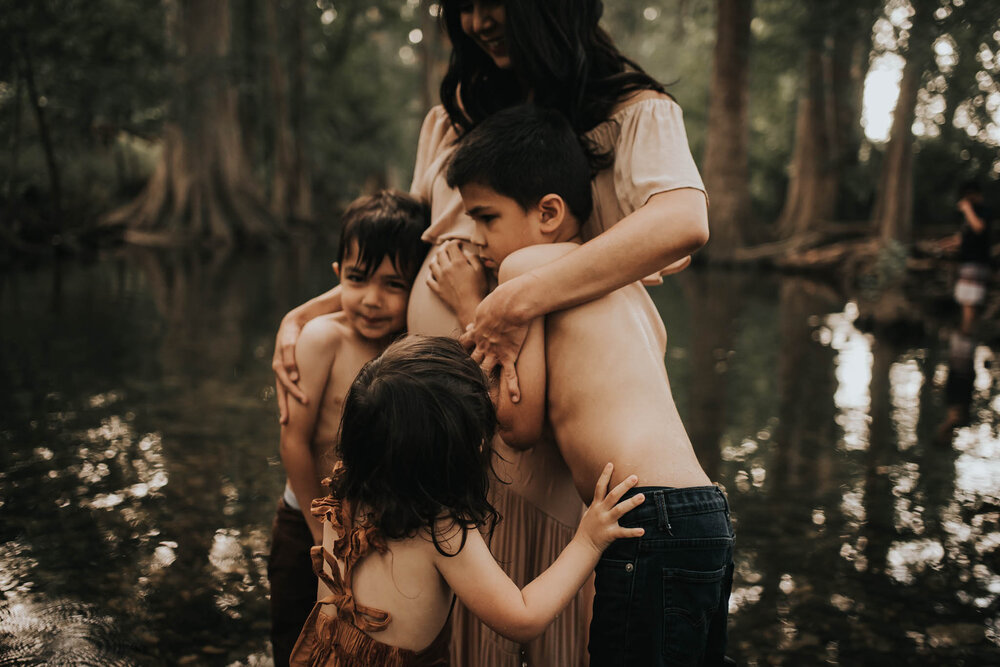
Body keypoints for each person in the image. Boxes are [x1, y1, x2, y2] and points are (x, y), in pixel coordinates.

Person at [272, 2, 709, 664]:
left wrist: (512, 299)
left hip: (540, 471)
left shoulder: (632, 116)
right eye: (462, 5)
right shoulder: (454, 124)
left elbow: (683, 223)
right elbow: (405, 258)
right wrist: (305, 312)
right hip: (445, 465)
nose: (476, 21)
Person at [441, 104, 734, 666]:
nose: (477, 239)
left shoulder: (526, 269)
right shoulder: (632, 290)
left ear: (547, 212)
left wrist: (468, 308)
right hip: (703, 513)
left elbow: (519, 425)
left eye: (486, 217)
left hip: (646, 515)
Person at [288, 335, 646, 666]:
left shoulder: (344, 490)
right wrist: (588, 540)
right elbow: (523, 618)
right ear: (454, 454)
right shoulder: (438, 529)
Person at [269, 191, 430, 666]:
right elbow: (294, 441)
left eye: (393, 284)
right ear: (338, 276)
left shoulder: (410, 352)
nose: (373, 299)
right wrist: (321, 537)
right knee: (298, 643)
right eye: (358, 279)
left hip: (378, 533)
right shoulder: (324, 340)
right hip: (309, 530)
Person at [952, 181, 993, 333]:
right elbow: (962, 238)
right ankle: (966, 338)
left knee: (969, 302)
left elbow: (978, 227)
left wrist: (967, 209)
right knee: (966, 301)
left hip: (977, 262)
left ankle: (966, 335)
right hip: (967, 262)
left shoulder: (983, 211)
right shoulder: (968, 215)